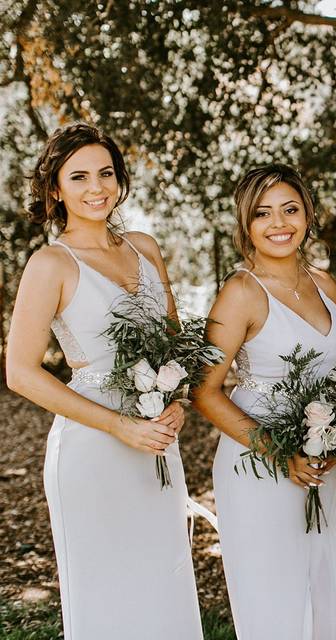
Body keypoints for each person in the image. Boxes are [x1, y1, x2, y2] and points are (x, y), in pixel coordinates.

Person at [5, 122, 202, 639]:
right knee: (107, 592)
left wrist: (177, 400)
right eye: (79, 177)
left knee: (163, 580)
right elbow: (20, 373)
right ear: (55, 190)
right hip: (92, 447)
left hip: (158, 441)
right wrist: (118, 426)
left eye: (106, 173)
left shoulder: (145, 248)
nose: (97, 188)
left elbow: (174, 343)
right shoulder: (50, 263)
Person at [193, 164, 336, 638]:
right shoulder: (241, 292)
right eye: (263, 213)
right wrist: (278, 450)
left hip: (324, 463)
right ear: (246, 224)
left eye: (290, 209)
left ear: (308, 214)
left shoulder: (326, 286)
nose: (280, 223)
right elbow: (204, 391)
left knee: (329, 591)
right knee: (276, 601)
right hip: (258, 465)